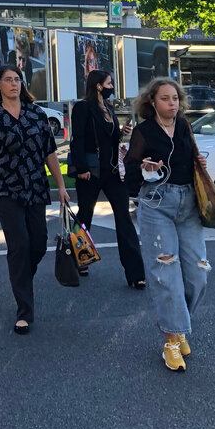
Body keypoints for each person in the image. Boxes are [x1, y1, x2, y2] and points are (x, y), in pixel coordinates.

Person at [0, 67, 69, 335]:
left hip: (35, 187)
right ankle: (24, 310)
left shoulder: (37, 115)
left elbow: (50, 153)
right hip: (5, 190)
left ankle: (21, 278)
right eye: (8, 80)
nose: (14, 84)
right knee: (19, 245)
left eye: (17, 80)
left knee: (37, 245)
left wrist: (60, 186)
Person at [124, 78, 211, 372]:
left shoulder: (185, 126)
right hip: (156, 203)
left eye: (175, 98)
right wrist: (145, 169)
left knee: (198, 274)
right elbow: (131, 179)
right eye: (165, 98)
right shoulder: (143, 132)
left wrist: (199, 162)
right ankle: (171, 341)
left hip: (188, 204)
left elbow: (190, 161)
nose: (172, 103)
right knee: (166, 272)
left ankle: (179, 325)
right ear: (152, 102)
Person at [69, 69, 144, 288]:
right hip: (90, 172)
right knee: (84, 216)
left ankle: (135, 273)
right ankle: (79, 259)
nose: (112, 87)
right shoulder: (83, 108)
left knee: (124, 218)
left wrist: (121, 133)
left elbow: (109, 142)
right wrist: (81, 167)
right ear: (99, 86)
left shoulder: (108, 108)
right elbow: (78, 139)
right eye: (109, 83)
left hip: (112, 172)